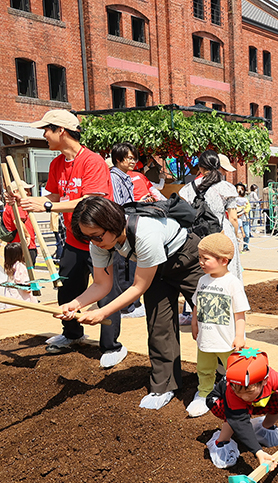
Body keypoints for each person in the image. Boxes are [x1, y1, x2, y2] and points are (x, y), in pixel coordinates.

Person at [61, 196, 204, 410]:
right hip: (155, 268)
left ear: (111, 223)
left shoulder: (145, 232)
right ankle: (164, 386)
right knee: (159, 325)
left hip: (189, 260)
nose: (94, 242)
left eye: (96, 236)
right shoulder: (100, 242)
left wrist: (102, 313)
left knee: (210, 321)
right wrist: (74, 304)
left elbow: (138, 287)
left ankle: (214, 387)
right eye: (88, 237)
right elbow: (101, 284)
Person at [13, 110, 117, 366]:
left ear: (61, 130)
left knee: (105, 293)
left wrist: (46, 208)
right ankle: (71, 334)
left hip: (99, 240)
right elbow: (54, 198)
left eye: (46, 130)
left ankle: (111, 345)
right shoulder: (56, 163)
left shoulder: (93, 161)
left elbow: (90, 200)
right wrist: (27, 201)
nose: (44, 136)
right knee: (67, 287)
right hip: (72, 238)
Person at [205, 348, 278, 469]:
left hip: (253, 403)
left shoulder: (272, 377)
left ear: (264, 381)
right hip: (219, 402)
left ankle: (264, 428)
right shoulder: (232, 391)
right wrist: (258, 451)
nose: (243, 396)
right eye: (237, 391)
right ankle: (221, 441)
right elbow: (239, 421)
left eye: (248, 392)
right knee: (235, 415)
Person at [187, 233, 249, 417]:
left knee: (233, 370)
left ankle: (236, 394)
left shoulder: (232, 283)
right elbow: (197, 304)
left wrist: (239, 336)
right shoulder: (202, 280)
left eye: (205, 258)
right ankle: (204, 393)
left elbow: (240, 313)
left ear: (223, 260)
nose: (201, 262)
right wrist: (194, 322)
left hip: (227, 340)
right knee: (204, 368)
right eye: (200, 257)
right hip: (206, 337)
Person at [179, 151, 243, 283]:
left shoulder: (188, 189)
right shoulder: (227, 187)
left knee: (200, 272)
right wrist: (236, 235)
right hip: (223, 232)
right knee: (227, 273)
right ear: (218, 166)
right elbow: (233, 218)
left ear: (201, 168)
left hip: (198, 235)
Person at [110, 142, 146, 321]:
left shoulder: (126, 177)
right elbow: (118, 205)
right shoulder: (114, 177)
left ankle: (132, 303)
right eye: (129, 158)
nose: (133, 161)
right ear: (118, 159)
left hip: (129, 224)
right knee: (124, 266)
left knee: (131, 264)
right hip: (121, 227)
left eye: (134, 158)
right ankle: (127, 306)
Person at [0, 242, 38, 307]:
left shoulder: (9, 266)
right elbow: (23, 282)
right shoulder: (20, 266)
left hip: (12, 293)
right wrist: (29, 288)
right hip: (21, 296)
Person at [235, 183, 251, 252]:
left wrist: (244, 210)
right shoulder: (234, 199)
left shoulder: (246, 199)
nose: (240, 190)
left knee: (246, 234)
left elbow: (248, 207)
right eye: (239, 189)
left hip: (244, 218)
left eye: (242, 189)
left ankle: (246, 246)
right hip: (237, 218)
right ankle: (237, 248)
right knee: (237, 234)